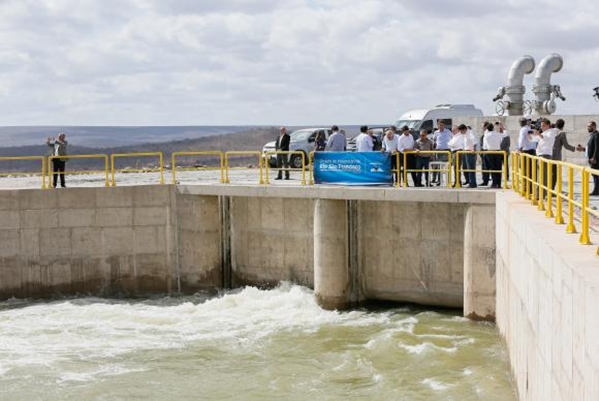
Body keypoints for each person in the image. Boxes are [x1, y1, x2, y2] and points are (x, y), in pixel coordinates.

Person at [531, 118, 559, 192]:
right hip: (540, 155)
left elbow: (547, 139)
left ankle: (540, 194)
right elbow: (534, 139)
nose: (542, 127)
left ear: (548, 125)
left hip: (545, 155)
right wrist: (530, 134)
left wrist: (539, 134)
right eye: (541, 126)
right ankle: (539, 194)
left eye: (543, 125)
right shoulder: (544, 133)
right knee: (540, 175)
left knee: (543, 176)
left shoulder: (551, 132)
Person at [550, 118, 576, 190]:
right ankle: (551, 190)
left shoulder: (550, 131)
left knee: (547, 173)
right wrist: (575, 148)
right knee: (554, 174)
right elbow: (566, 146)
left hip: (548, 155)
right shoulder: (561, 133)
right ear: (563, 126)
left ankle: (547, 190)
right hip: (556, 157)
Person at [576, 121, 599, 195]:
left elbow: (597, 148)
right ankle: (596, 190)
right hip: (592, 159)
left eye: (589, 126)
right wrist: (583, 149)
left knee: (596, 175)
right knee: (594, 175)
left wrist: (594, 158)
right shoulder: (592, 135)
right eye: (587, 126)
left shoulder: (596, 135)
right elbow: (590, 148)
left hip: (595, 160)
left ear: (594, 127)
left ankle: (596, 191)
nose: (588, 128)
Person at [483, 122, 509, 188]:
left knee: (492, 168)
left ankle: (494, 183)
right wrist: (502, 127)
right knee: (498, 168)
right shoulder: (497, 134)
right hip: (498, 152)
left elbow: (485, 145)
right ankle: (499, 184)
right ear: (493, 128)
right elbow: (506, 134)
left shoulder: (487, 135)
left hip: (490, 152)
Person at [431, 121, 452, 185]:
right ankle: (440, 181)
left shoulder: (448, 131)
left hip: (447, 151)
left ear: (444, 125)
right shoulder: (436, 132)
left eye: (442, 125)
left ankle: (448, 181)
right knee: (439, 167)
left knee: (447, 167)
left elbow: (453, 138)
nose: (441, 127)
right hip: (439, 151)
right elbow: (434, 141)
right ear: (438, 126)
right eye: (439, 125)